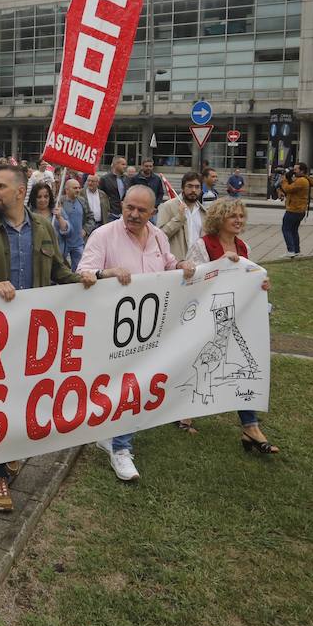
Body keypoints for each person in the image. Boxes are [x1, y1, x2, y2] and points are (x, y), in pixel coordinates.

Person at [0, 165, 89, 511]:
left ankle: (13, 449)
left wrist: (91, 280)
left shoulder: (44, 228)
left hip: (34, 334)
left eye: (1, 186)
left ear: (21, 192)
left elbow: (60, 272)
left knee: (25, 397)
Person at [77, 185, 197, 482]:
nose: (133, 214)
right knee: (126, 386)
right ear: (122, 204)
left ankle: (112, 437)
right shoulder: (103, 235)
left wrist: (181, 265)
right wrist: (107, 273)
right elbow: (84, 272)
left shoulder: (157, 236)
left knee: (136, 386)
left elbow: (168, 263)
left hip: (149, 329)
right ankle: (121, 449)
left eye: (141, 210)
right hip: (113, 331)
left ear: (153, 213)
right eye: (129, 207)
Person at [183, 199, 277, 453]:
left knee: (233, 366)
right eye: (232, 216)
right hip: (207, 317)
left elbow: (250, 276)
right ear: (219, 219)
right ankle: (184, 413)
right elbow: (190, 277)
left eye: (241, 216)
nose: (238, 220)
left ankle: (251, 426)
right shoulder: (203, 245)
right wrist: (218, 265)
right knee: (202, 363)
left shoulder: (243, 246)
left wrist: (261, 283)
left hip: (235, 317)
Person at [157, 170, 205, 262]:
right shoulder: (168, 206)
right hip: (176, 265)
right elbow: (160, 236)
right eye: (190, 186)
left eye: (197, 187)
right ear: (183, 187)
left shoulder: (203, 212)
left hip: (198, 265)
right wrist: (179, 218)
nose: (193, 190)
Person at [276, 163, 313, 258]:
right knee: (293, 230)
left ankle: (291, 250)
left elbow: (288, 188)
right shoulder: (302, 179)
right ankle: (296, 251)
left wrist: (284, 179)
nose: (293, 171)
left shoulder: (301, 181)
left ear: (302, 171)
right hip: (298, 209)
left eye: (295, 169)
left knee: (286, 229)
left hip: (294, 209)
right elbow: (292, 190)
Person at [54, 178, 89, 271]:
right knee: (61, 269)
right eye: (75, 188)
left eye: (79, 188)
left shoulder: (82, 201)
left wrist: (86, 229)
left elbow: (90, 217)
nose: (78, 190)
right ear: (67, 190)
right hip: (63, 243)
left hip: (78, 243)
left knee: (80, 269)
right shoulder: (59, 202)